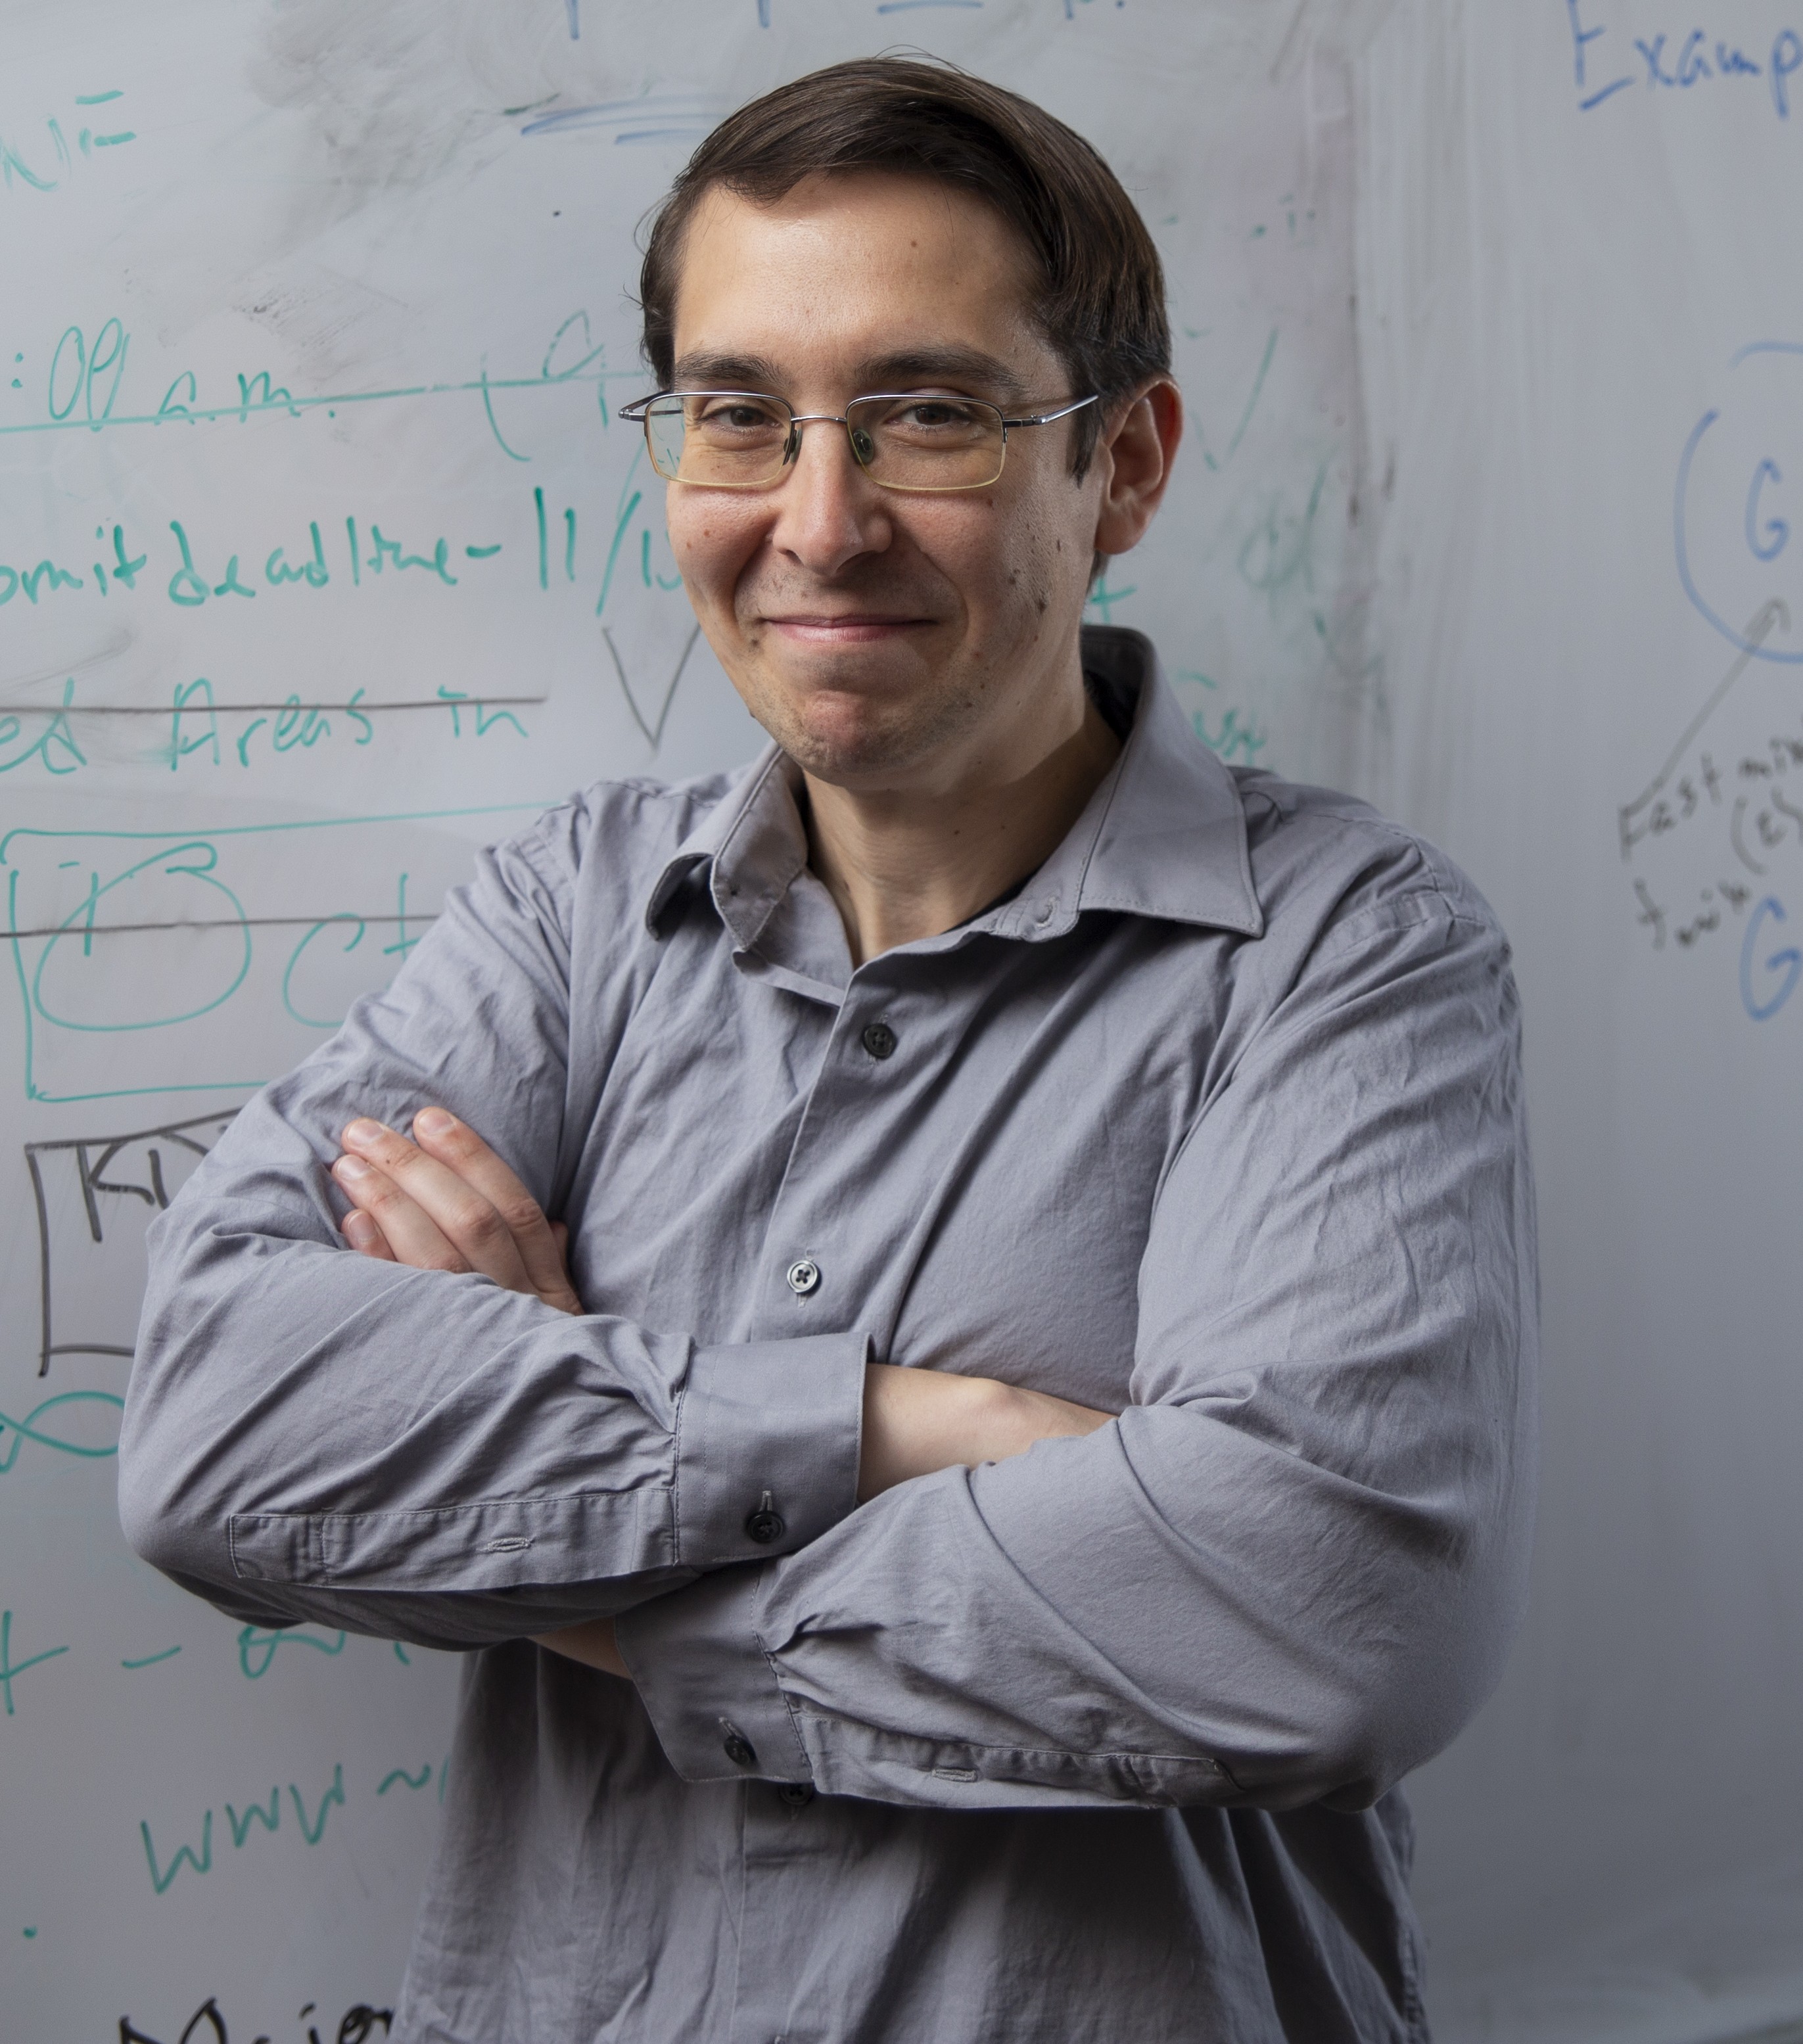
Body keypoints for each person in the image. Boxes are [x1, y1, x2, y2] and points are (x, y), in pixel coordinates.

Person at [119, 55, 1537, 2044]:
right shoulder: (567, 918)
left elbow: (1324, 1622)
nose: (818, 519)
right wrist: (897, 1428)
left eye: (928, 418)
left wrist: (574, 1561)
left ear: (1121, 466)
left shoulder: (1345, 958)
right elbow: (212, 1439)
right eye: (737, 419)